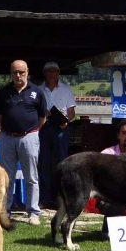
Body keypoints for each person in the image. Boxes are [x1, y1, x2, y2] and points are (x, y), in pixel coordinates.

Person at [0, 60, 47, 225]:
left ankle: (33, 213)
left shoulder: (38, 92)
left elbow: (42, 117)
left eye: (21, 72)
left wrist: (32, 132)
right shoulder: (3, 92)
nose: (18, 76)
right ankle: (5, 211)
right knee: (5, 177)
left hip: (29, 137)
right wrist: (0, 133)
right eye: (15, 72)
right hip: (6, 137)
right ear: (11, 73)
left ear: (27, 72)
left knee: (31, 177)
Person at [38, 61, 76, 209]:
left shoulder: (66, 89)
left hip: (61, 127)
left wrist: (66, 121)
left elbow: (71, 111)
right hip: (44, 127)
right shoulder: (39, 90)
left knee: (62, 162)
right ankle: (45, 198)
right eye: (48, 71)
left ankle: (61, 198)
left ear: (58, 73)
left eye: (54, 71)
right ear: (44, 73)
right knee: (44, 162)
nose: (51, 73)